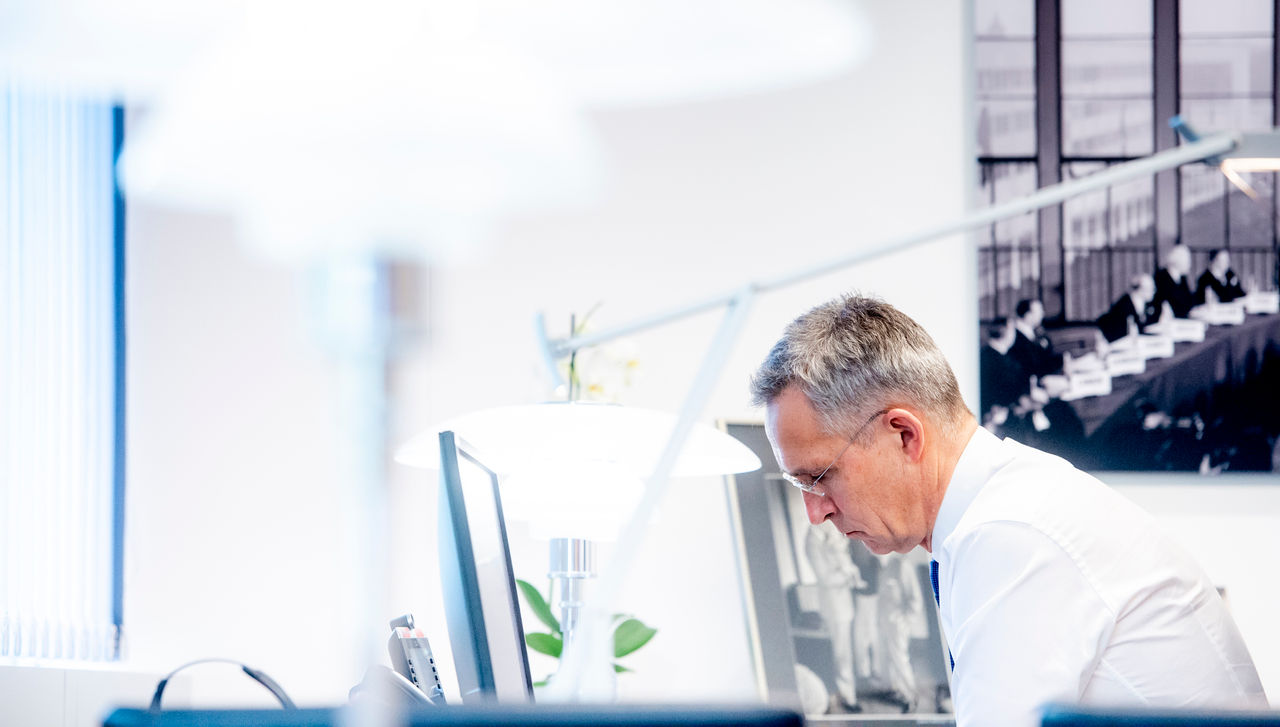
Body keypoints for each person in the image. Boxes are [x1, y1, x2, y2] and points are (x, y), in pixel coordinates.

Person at [750, 294, 1266, 727]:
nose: (814, 513)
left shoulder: (1013, 535)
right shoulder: (1007, 508)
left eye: (820, 476)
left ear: (904, 434)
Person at [1008, 299, 1063, 381]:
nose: (1043, 314)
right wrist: (1061, 362)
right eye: (1039, 311)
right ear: (1028, 315)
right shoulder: (1014, 336)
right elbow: (1033, 365)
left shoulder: (1035, 332)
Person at [1095, 273, 1156, 343]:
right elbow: (1123, 332)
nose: (1154, 292)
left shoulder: (1142, 302)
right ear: (1139, 289)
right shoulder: (1123, 305)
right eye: (1151, 289)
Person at [1153, 243, 1196, 318]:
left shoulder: (1182, 277)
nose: (1189, 265)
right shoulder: (1161, 278)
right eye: (1187, 261)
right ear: (1177, 261)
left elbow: (1189, 300)